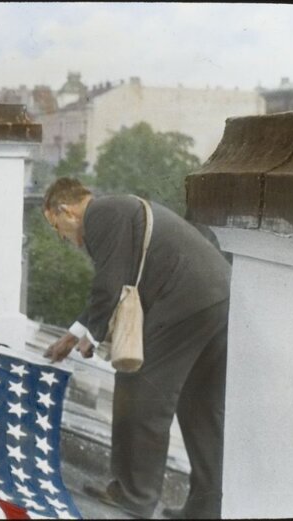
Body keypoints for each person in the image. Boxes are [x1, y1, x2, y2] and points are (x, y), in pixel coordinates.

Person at [42, 177, 231, 519]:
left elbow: (109, 284)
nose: (63, 237)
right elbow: (119, 279)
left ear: (65, 211)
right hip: (218, 298)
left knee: (140, 390)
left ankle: (134, 495)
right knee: (200, 407)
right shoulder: (118, 209)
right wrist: (75, 335)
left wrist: (90, 338)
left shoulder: (99, 215)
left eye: (57, 228)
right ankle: (207, 506)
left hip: (184, 304)